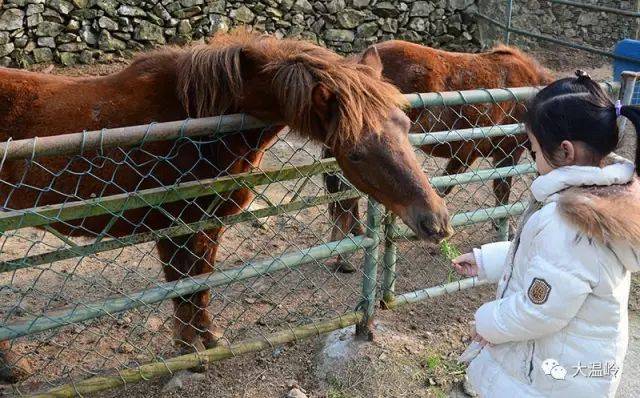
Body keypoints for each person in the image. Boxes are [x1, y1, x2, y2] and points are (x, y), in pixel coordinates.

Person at [451, 70, 640, 397]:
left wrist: (488, 322)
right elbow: (553, 264)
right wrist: (487, 261)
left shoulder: (570, 219)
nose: (533, 158)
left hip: (547, 382)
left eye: (535, 150)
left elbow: (540, 311)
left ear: (565, 152)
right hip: (572, 369)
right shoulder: (601, 197)